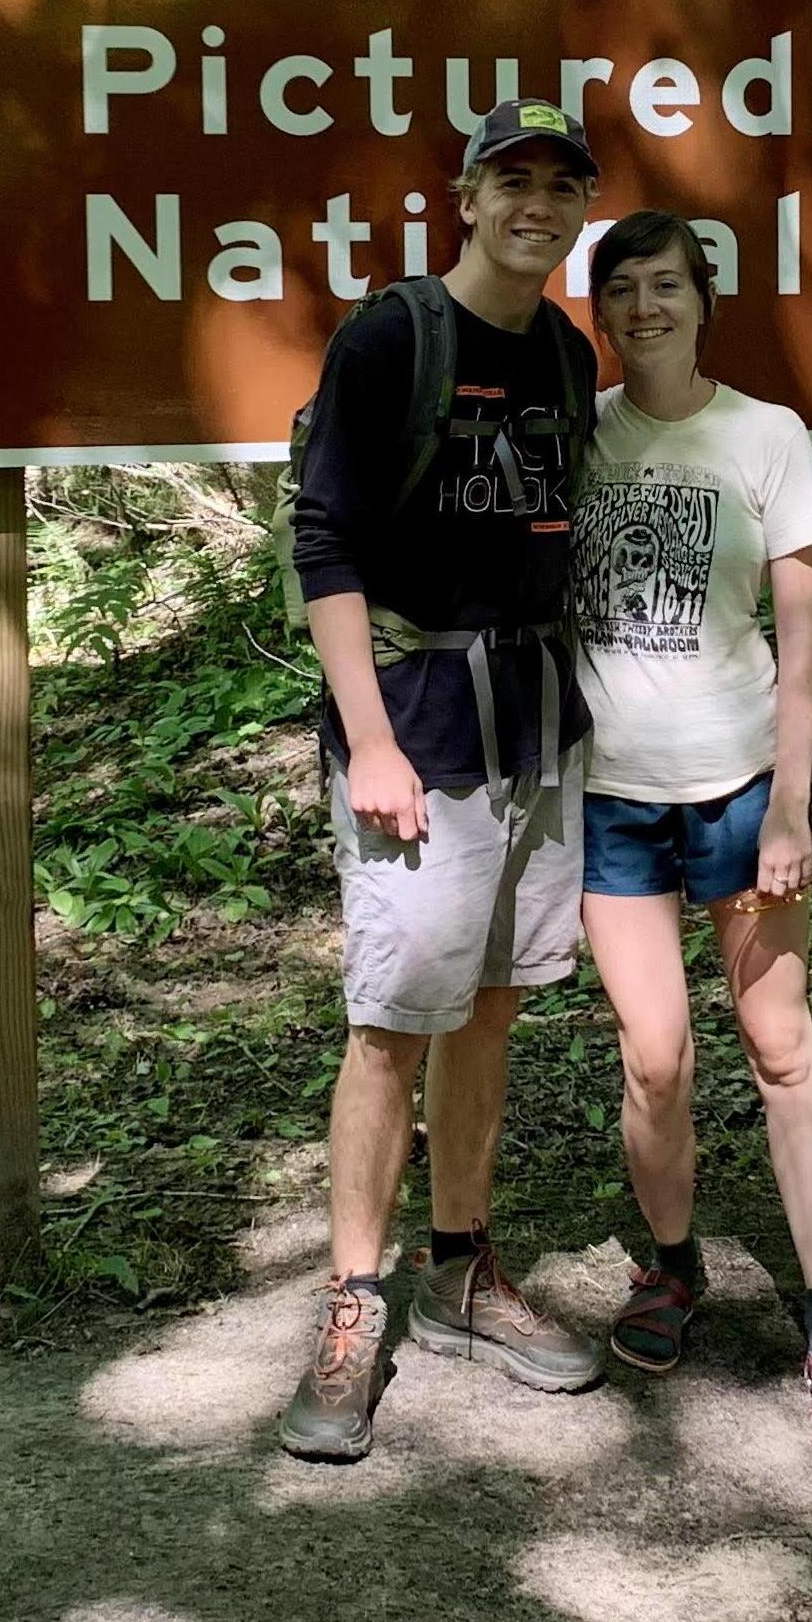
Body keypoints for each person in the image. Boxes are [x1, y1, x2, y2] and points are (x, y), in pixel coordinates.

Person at [277, 99, 609, 1463]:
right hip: (415, 724)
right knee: (391, 1017)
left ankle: (463, 1264)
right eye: (511, 180)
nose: (536, 203)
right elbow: (326, 535)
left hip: (536, 725)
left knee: (488, 1007)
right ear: (465, 197)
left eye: (559, 184)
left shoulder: (567, 354)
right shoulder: (391, 335)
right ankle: (356, 1302)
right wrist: (369, 737)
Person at [570, 208, 812, 1450]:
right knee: (655, 1057)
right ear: (598, 314)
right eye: (622, 290)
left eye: (665, 285)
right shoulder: (576, 438)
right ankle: (672, 1263)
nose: (644, 307)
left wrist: (793, 805)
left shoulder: (767, 435)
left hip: (742, 786)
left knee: (779, 1045)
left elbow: (801, 633)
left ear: (703, 299)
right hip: (606, 794)